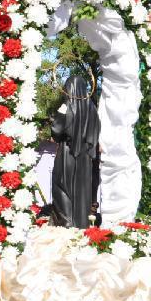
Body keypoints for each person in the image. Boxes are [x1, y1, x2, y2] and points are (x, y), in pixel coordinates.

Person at [51, 75, 100, 229]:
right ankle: (82, 224)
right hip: (85, 158)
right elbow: (96, 131)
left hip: (67, 154)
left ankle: (67, 223)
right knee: (82, 191)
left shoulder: (66, 106)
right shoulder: (91, 107)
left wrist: (56, 116)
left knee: (62, 187)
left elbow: (57, 130)